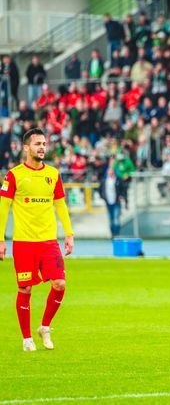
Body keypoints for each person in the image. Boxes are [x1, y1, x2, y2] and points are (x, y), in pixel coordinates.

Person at [0, 128, 74, 351]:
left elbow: (60, 204)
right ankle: (27, 339)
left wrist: (69, 233)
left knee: (60, 284)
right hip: (24, 243)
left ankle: (45, 327)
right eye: (37, 144)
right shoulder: (14, 175)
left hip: (49, 242)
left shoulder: (53, 174)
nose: (42, 147)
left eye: (44, 144)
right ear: (26, 148)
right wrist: (1, 239)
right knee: (25, 289)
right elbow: (3, 207)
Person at [99, 165, 123, 238]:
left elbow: (122, 188)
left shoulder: (118, 180)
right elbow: (100, 189)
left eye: (111, 171)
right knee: (111, 219)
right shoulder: (104, 180)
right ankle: (112, 234)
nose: (110, 172)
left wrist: (121, 196)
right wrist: (103, 197)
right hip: (108, 202)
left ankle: (117, 234)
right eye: (109, 171)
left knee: (116, 219)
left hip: (116, 202)